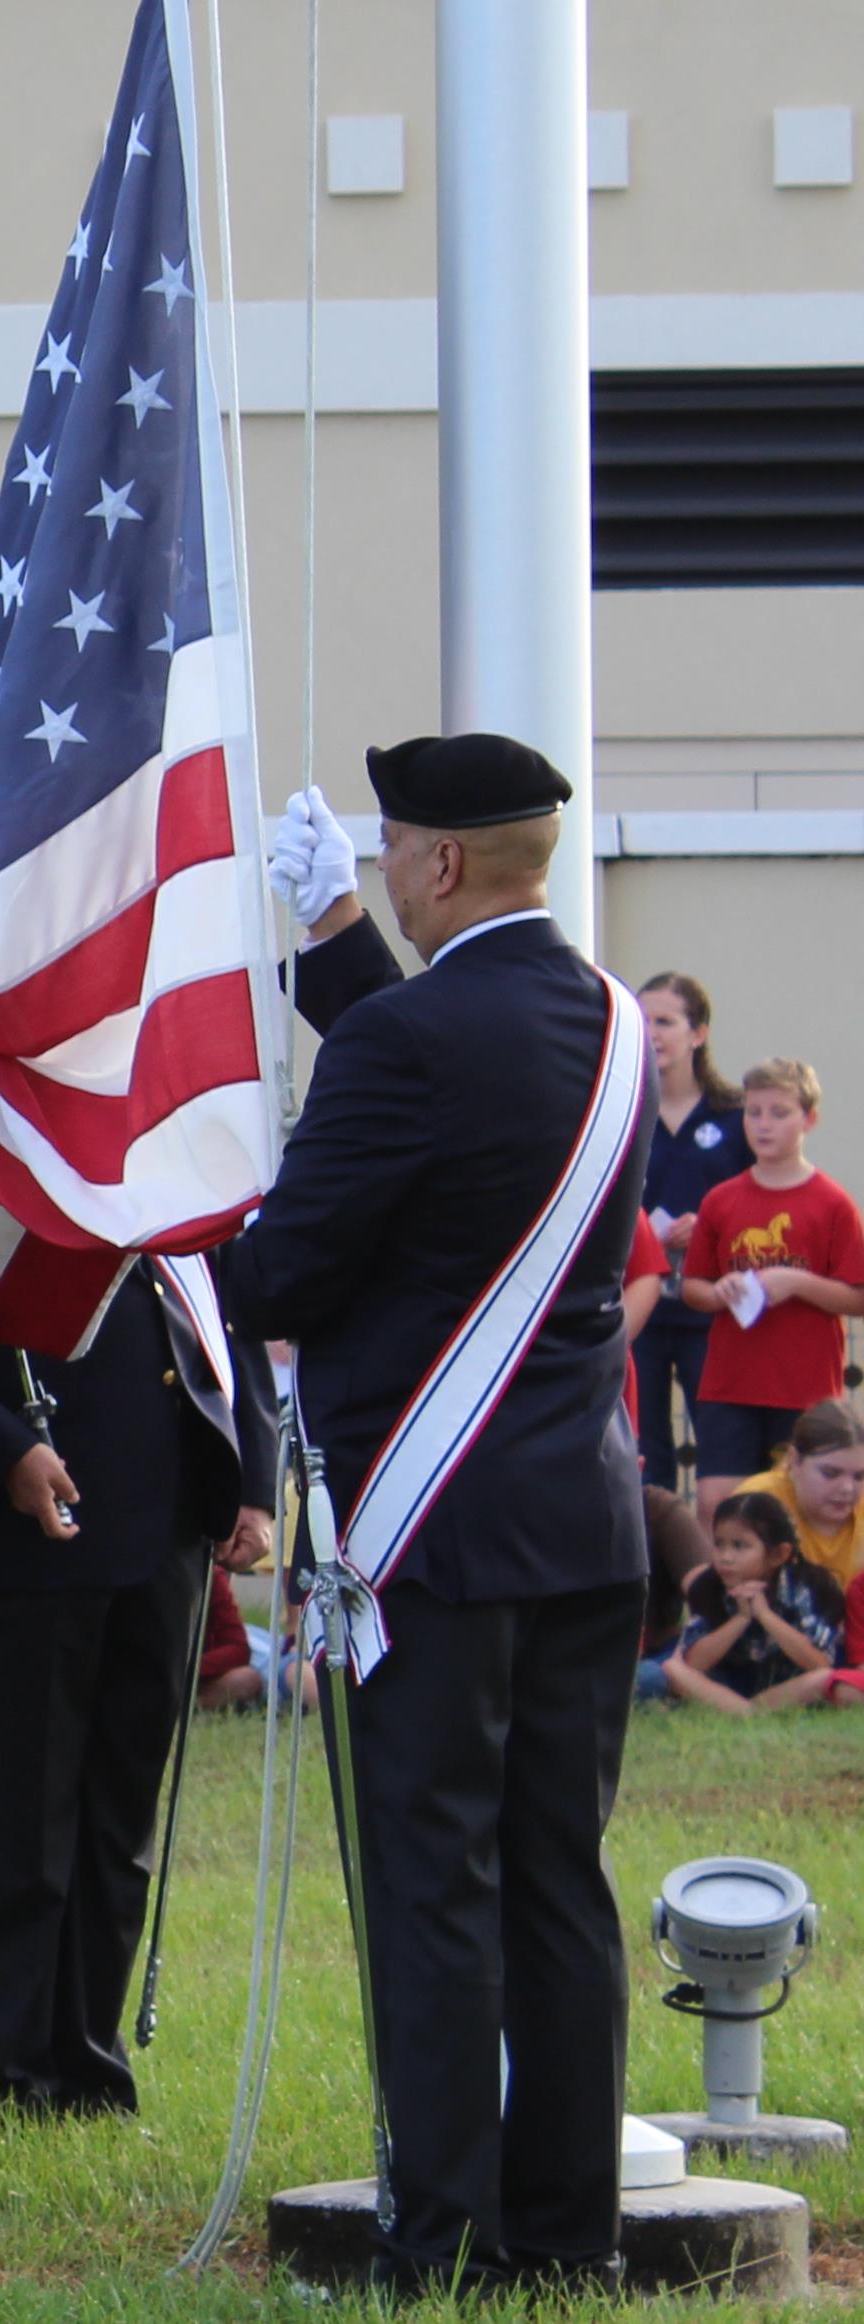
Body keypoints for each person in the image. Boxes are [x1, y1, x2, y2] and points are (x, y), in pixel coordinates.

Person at [243, 739, 651, 2289]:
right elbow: (469, 1105)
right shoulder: (608, 1024)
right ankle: (562, 2237)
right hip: (581, 1524)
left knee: (433, 1889)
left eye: (389, 849)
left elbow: (288, 1268)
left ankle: (442, 2237)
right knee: (559, 1886)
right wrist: (338, 951)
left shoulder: (404, 1043)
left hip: (432, 1533)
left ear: (427, 866)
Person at [0, 1265, 276, 2117]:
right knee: (19, 1810)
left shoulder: (169, 1137)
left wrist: (251, 1476)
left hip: (163, 1513)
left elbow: (221, 1299)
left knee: (120, 1816)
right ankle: (16, 2073)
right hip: (17, 1514)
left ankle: (92, 2064)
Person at [671, 1057, 861, 1519]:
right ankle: (724, 1592)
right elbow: (693, 1286)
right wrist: (720, 1293)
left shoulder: (832, 1203)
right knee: (719, 1504)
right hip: (730, 1382)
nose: (763, 1124)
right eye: (753, 1112)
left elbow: (857, 1295)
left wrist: (796, 1282)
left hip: (805, 1387)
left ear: (809, 1119)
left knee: (798, 1510)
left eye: (779, 1112)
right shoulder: (721, 1199)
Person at [638, 972, 744, 1493]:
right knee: (643, 1459)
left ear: (698, 1034)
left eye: (665, 1021)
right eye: (643, 1020)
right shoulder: (624, 1110)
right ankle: (653, 1573)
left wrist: (712, 1227)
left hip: (712, 1314)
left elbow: (765, 1202)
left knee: (723, 1455)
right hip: (639, 1310)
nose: (652, 1033)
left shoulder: (737, 1116)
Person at [663, 1490, 845, 1713]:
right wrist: (741, 1618)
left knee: (825, 1677)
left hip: (786, 1685)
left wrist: (766, 1615)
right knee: (673, 1669)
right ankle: (747, 1711)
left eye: (739, 1546)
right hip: (729, 1684)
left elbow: (819, 1663)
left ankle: (749, 1711)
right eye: (719, 1544)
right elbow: (694, 1663)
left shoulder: (803, 1588)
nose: (725, 1557)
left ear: (779, 1554)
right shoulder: (707, 1586)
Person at [718, 1398, 864, 1595]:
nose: (847, 1488)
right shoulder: (758, 1502)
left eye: (859, 1476)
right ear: (794, 1460)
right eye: (830, 1473)